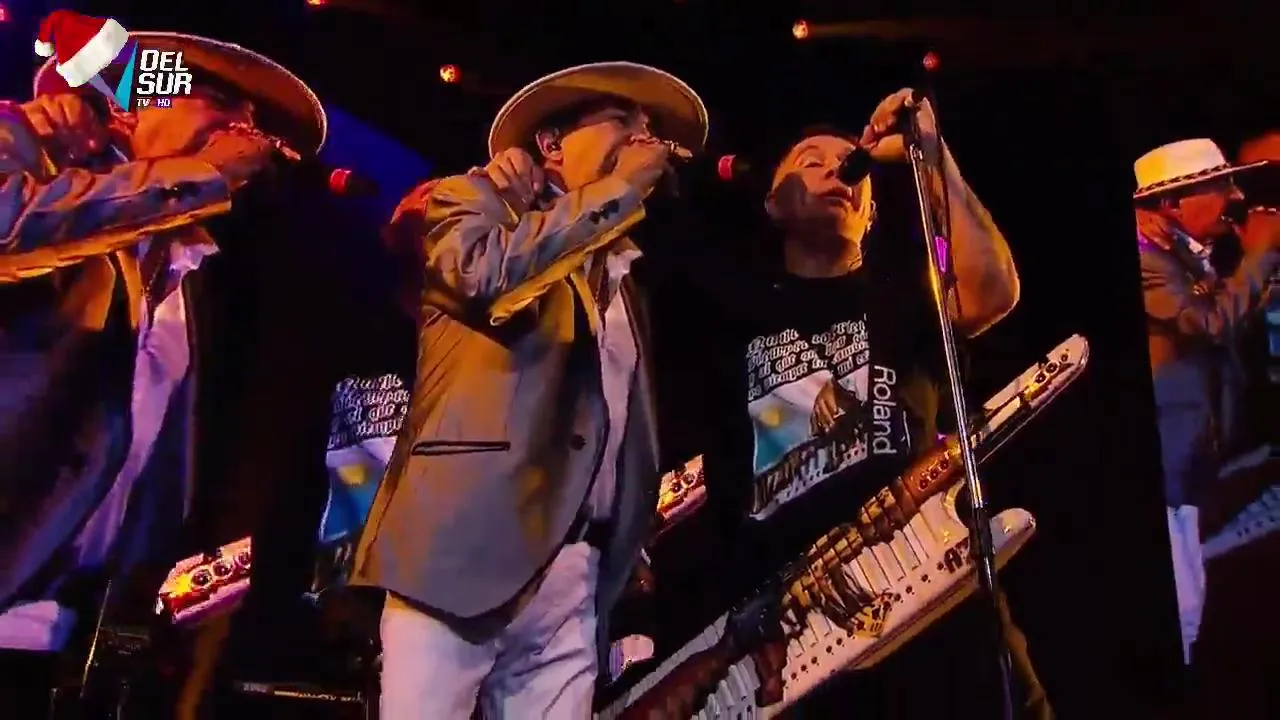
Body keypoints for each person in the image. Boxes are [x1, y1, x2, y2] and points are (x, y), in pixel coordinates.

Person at [626, 91, 1051, 718]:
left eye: (848, 164)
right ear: (772, 203)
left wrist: (931, 155)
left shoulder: (905, 301)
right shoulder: (728, 315)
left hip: (934, 605)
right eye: (809, 160)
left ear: (870, 214)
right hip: (800, 643)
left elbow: (992, 293)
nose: (835, 169)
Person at [349, 62, 709, 718]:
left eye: (651, 129)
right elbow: (481, 277)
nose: (645, 138)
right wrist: (618, 191)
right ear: (551, 143)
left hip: (576, 577)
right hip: (462, 549)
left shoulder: (629, 277)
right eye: (623, 120)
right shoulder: (475, 202)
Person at [0, 24, 325, 715]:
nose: (244, 130)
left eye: (254, 121)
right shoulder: (31, 161)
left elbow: (191, 482)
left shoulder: (199, 282)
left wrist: (177, 641)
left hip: (68, 646)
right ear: (129, 110)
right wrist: (204, 176)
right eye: (218, 102)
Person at [1133, 138, 1280, 665]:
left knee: (1193, 600)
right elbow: (1208, 324)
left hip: (1194, 453)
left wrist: (1261, 269)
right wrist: (1260, 256)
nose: (1236, 196)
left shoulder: (1179, 255)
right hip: (1169, 456)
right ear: (1171, 202)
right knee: (1184, 607)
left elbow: (1227, 315)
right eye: (1221, 186)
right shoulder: (1146, 260)